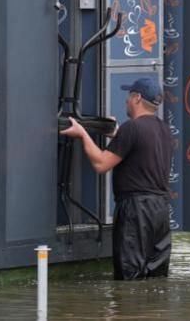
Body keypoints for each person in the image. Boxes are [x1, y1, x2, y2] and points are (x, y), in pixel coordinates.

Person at [59, 77, 173, 280]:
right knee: (156, 278)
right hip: (161, 211)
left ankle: (126, 312)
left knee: (129, 276)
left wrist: (82, 134)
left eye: (129, 96)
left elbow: (101, 164)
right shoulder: (164, 130)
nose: (126, 101)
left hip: (136, 210)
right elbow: (140, 148)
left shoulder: (132, 128)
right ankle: (155, 312)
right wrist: (117, 134)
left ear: (137, 97)